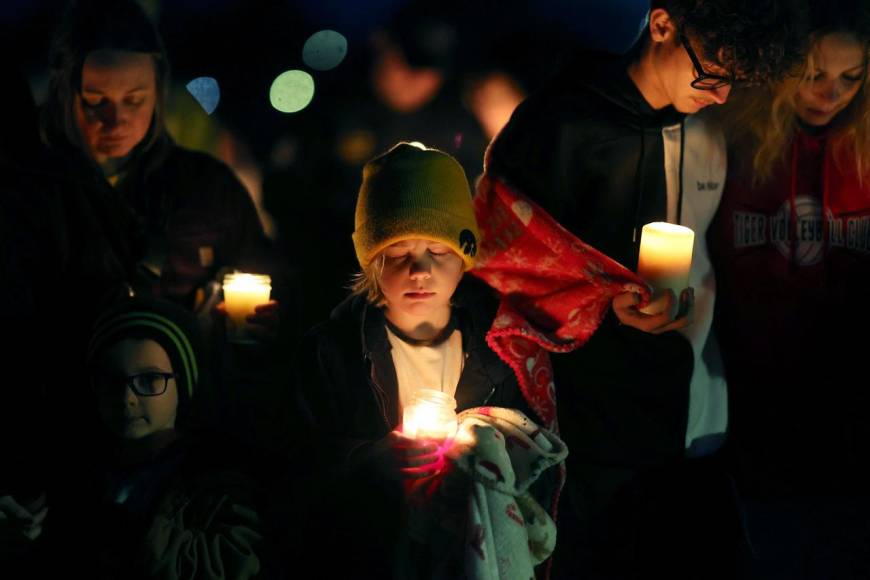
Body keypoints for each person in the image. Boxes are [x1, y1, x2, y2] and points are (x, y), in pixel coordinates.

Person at [483, 1, 806, 578]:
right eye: (712, 74)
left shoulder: (709, 128)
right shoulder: (559, 124)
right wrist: (598, 303)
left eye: (735, 81)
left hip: (692, 426)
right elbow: (501, 263)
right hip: (586, 433)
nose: (723, 95)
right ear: (662, 26)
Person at [294, 142, 553, 577]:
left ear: (466, 254)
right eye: (398, 254)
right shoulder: (331, 353)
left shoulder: (503, 345)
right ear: (372, 260)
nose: (420, 270)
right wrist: (375, 462)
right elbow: (300, 467)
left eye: (438, 251)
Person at [708, 1, 870, 576]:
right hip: (750, 402)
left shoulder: (862, 148)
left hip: (849, 409)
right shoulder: (728, 140)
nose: (831, 94)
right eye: (813, 74)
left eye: (851, 79)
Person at [82, 297, 272, 579]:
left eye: (149, 380)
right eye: (111, 381)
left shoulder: (216, 478)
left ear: (182, 384)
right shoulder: (81, 465)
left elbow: (233, 563)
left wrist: (126, 530)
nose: (127, 399)